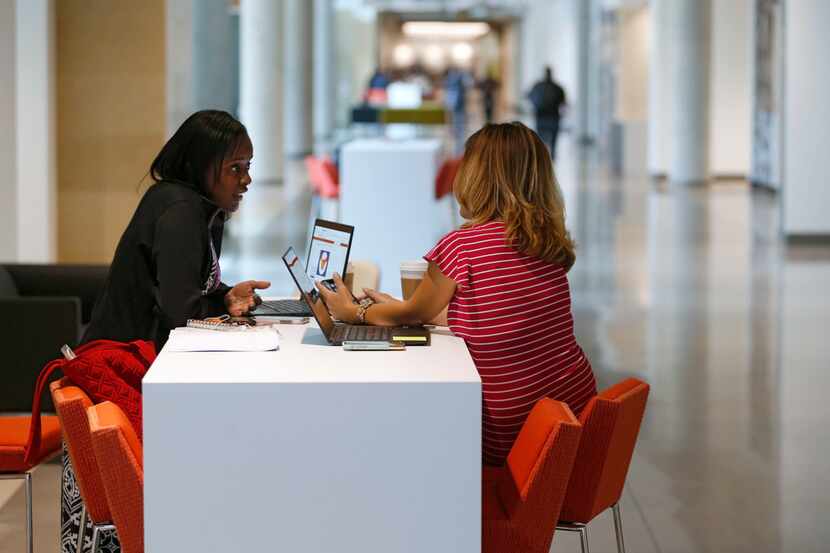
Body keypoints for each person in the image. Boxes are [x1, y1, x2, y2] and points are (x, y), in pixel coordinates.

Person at [317, 122, 597, 466]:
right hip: (571, 412)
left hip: (506, 432)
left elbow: (413, 316)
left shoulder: (462, 246)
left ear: (477, 178)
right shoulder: (546, 241)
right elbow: (501, 317)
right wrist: (403, 306)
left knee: (400, 441)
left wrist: (353, 313)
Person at [82, 110, 270, 350]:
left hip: (150, 354)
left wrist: (226, 297)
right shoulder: (180, 212)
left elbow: (185, 288)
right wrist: (221, 305)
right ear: (201, 166)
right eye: (235, 168)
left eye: (248, 166)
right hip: (123, 362)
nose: (247, 179)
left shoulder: (205, 208)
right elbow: (182, 317)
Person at [528, 66, 567, 159]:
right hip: (553, 116)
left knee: (540, 137)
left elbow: (530, 97)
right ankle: (552, 155)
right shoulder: (557, 87)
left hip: (541, 115)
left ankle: (542, 155)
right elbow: (563, 102)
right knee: (553, 139)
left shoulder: (538, 86)